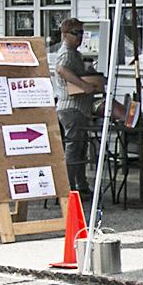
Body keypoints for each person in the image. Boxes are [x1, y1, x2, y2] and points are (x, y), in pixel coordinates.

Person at [52, 18, 104, 197]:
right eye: (76, 33)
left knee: (80, 148)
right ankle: (67, 189)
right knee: (73, 148)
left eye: (82, 33)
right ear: (65, 34)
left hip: (79, 108)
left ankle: (80, 185)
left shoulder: (75, 53)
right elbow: (62, 70)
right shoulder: (66, 52)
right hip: (71, 107)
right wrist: (83, 85)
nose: (80, 37)